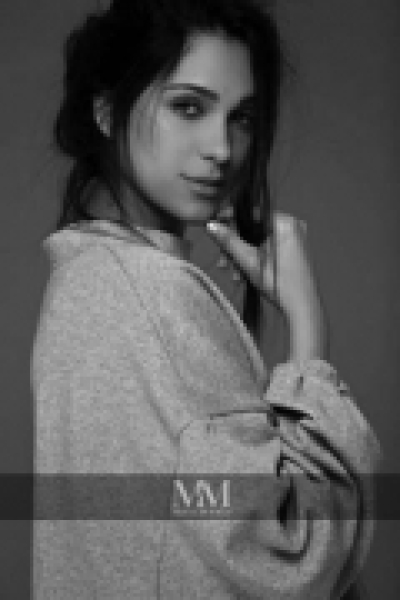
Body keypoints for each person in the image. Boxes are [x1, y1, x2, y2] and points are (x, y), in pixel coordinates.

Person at [31, 0, 381, 598]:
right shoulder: (150, 296)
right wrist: (307, 325)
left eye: (241, 118)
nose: (221, 148)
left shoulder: (86, 278)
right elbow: (289, 557)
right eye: (188, 107)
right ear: (108, 111)